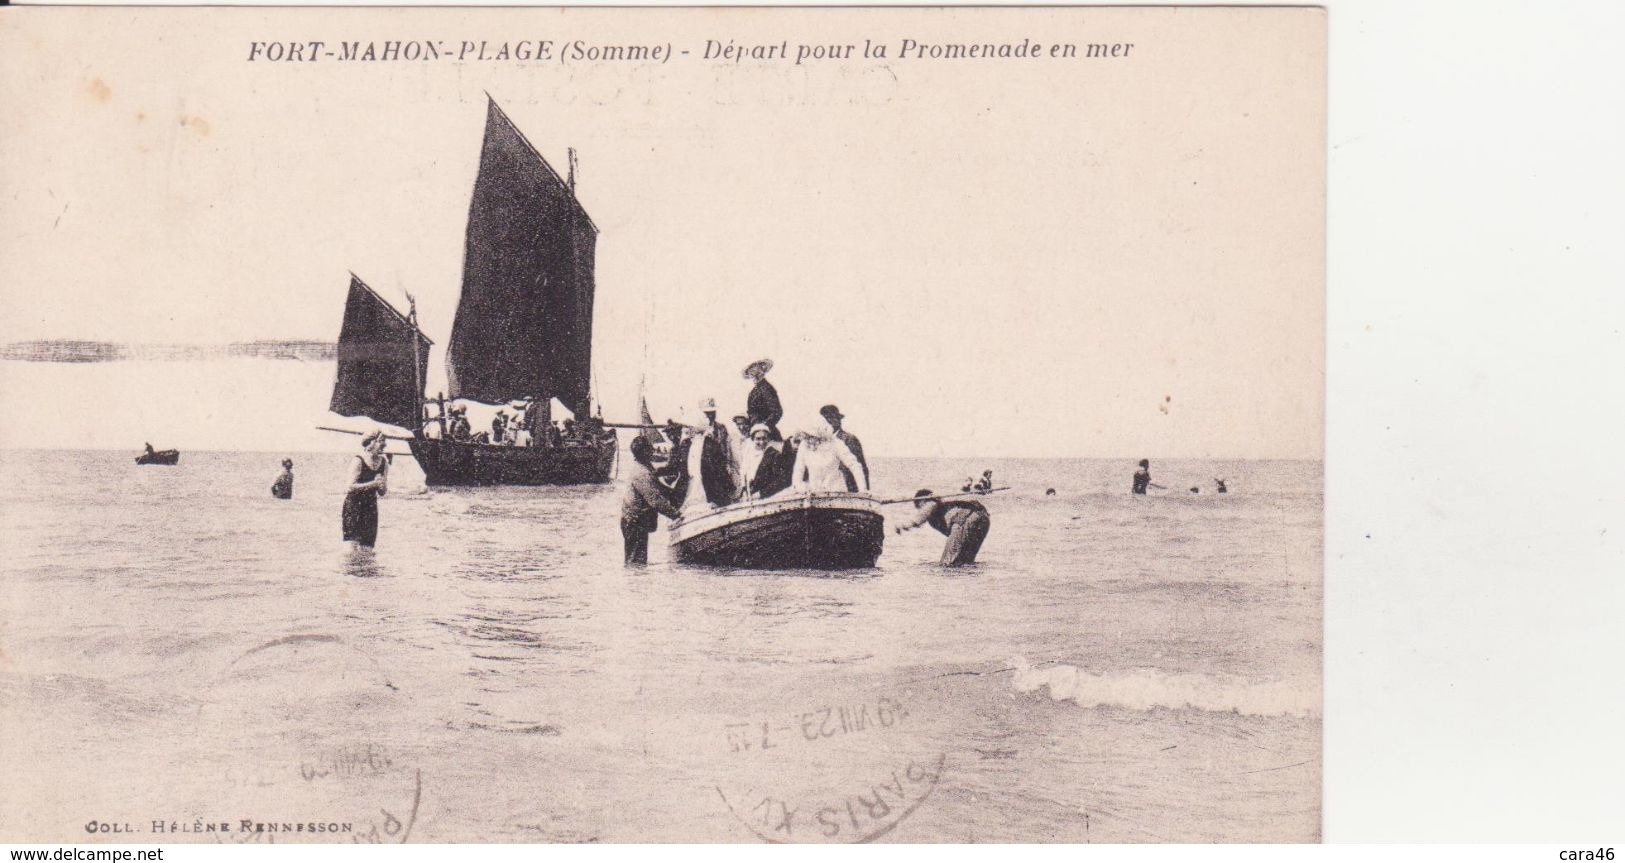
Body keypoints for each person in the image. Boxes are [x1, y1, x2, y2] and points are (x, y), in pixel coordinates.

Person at [622, 436, 681, 565]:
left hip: (635, 520)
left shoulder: (645, 466)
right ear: (643, 452)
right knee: (636, 563)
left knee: (636, 562)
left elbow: (658, 487)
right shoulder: (641, 472)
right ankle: (635, 583)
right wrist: (675, 514)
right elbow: (655, 499)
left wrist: (673, 493)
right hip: (635, 522)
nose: (652, 451)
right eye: (649, 449)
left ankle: (634, 582)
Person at [895, 489, 992, 567]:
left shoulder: (930, 502)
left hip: (964, 520)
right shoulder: (942, 503)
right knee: (966, 561)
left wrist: (904, 525)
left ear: (921, 502)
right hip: (983, 519)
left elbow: (922, 515)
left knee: (948, 564)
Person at [342, 431, 389, 548]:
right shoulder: (358, 460)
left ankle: (367, 567)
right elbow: (350, 487)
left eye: (385, 441)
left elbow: (382, 492)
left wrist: (381, 485)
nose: (385, 445)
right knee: (351, 549)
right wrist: (374, 483)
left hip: (371, 507)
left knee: (368, 549)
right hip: (354, 506)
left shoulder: (384, 462)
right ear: (371, 443)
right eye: (381, 441)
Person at [789, 430, 869, 494]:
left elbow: (854, 465)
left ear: (823, 438)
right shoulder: (804, 445)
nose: (810, 442)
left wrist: (863, 489)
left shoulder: (836, 444)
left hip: (836, 492)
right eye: (806, 437)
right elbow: (798, 469)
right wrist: (798, 486)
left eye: (812, 438)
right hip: (814, 493)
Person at [819, 404, 869, 492]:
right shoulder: (820, 440)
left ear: (838, 420)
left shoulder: (849, 439)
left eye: (832, 418)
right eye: (827, 419)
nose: (830, 421)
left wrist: (864, 493)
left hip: (847, 489)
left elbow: (859, 467)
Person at [738, 423, 789, 499]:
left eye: (764, 438)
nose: (761, 442)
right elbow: (744, 474)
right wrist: (745, 490)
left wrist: (761, 493)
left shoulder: (774, 455)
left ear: (768, 439)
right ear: (753, 439)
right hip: (751, 498)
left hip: (769, 498)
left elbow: (781, 481)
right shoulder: (749, 456)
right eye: (758, 439)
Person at [743, 359, 783, 440]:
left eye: (754, 367)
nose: (752, 370)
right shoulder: (753, 392)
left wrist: (764, 426)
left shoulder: (766, 388)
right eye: (750, 368)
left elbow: (777, 412)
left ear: (761, 369)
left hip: (767, 435)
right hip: (755, 433)